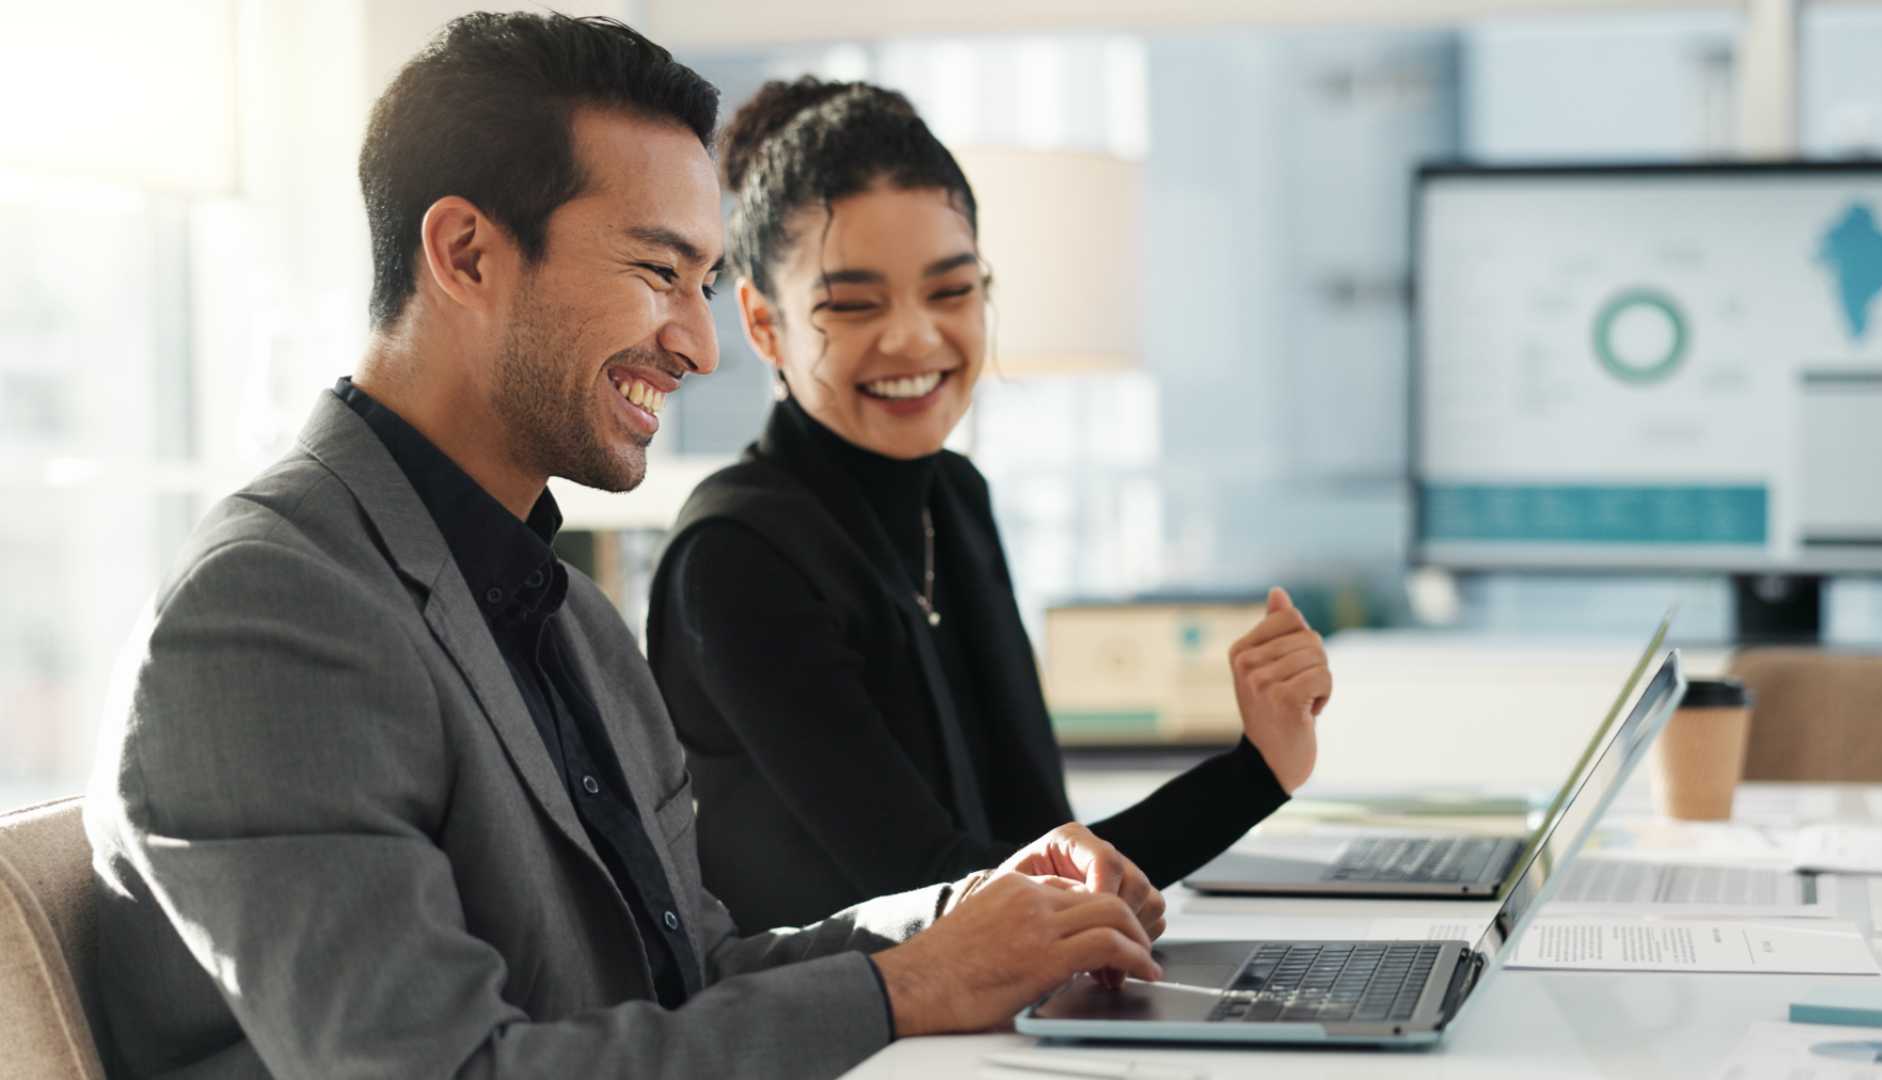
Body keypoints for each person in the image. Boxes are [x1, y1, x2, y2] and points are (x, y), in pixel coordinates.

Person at [86, 16, 1166, 1079]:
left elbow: (690, 980)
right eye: (659, 274)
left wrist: (971, 918)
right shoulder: (272, 614)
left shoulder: (565, 615)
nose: (698, 345)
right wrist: (908, 989)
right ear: (466, 254)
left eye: (702, 286)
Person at [647, 78, 1334, 935]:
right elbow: (955, 898)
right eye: (852, 303)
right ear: (761, 323)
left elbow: (1040, 845)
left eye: (951, 290)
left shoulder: (954, 500)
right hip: (847, 1051)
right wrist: (1253, 775)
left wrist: (1262, 763)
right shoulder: (734, 558)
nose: (915, 338)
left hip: (989, 1021)